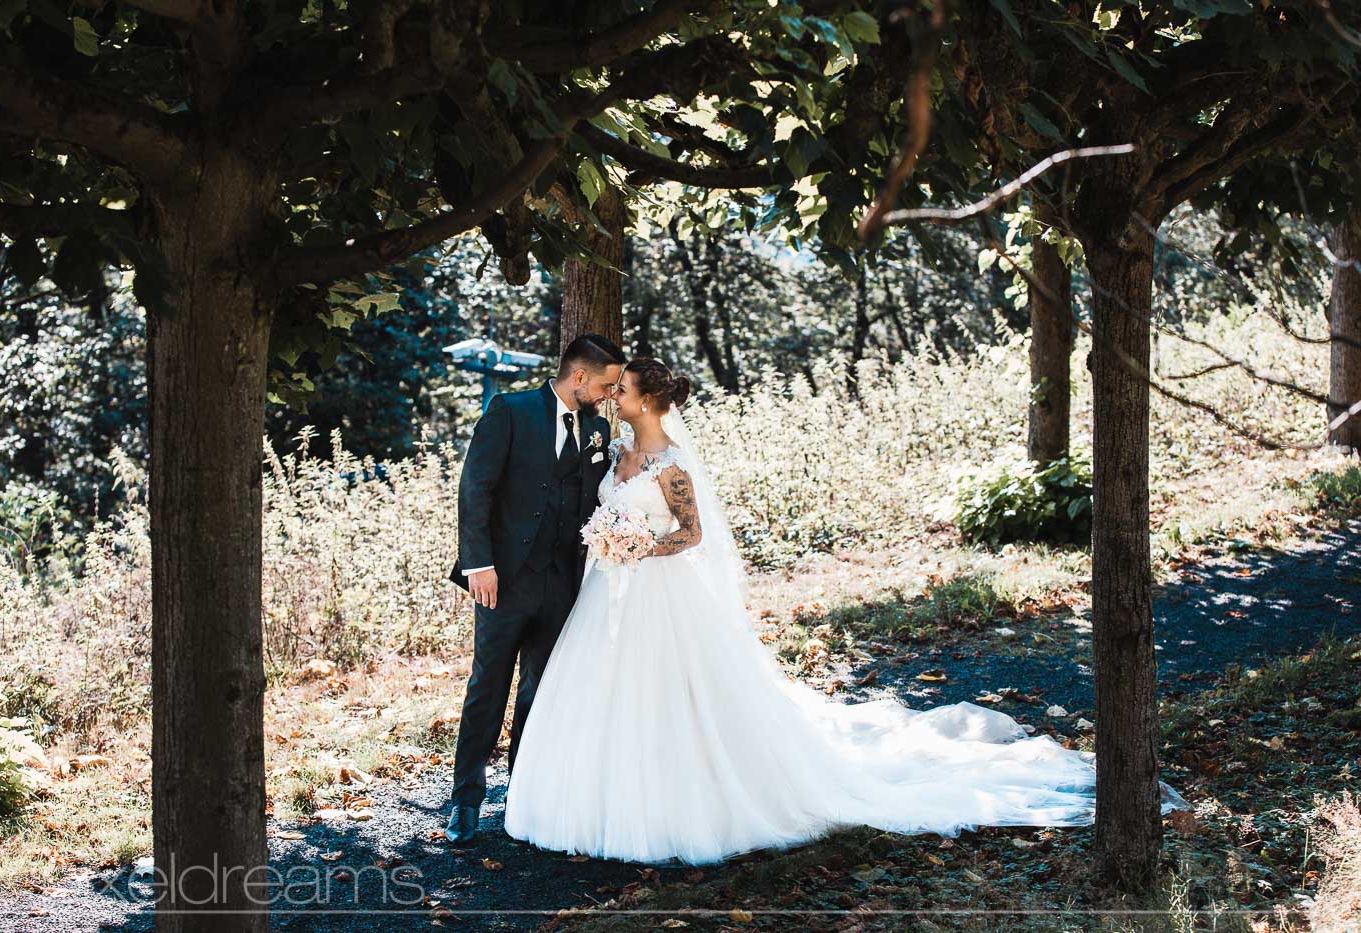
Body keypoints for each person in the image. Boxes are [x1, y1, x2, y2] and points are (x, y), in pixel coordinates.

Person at [501, 357, 1191, 864]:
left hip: (657, 593)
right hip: (611, 598)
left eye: (621, 389)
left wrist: (637, 548)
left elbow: (692, 535)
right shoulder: (618, 449)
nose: (611, 394)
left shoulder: (673, 464)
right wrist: (608, 542)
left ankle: (672, 798)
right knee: (604, 692)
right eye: (611, 386)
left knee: (674, 696)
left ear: (648, 399)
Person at [444, 333, 626, 844]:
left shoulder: (595, 428)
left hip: (564, 582)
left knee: (540, 689)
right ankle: (465, 800)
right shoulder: (511, 410)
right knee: (489, 684)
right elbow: (475, 489)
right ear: (580, 376)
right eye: (608, 384)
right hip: (501, 580)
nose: (611, 394)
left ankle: (523, 793)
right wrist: (478, 564)